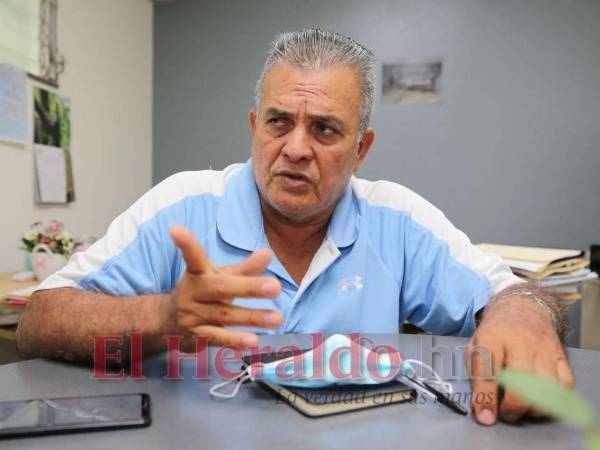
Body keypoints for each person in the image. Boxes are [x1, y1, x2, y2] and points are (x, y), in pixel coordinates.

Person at [17, 29, 573, 426]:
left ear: (361, 149)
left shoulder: (397, 218)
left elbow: (514, 293)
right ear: (254, 126)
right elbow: (39, 319)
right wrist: (161, 318)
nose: (296, 148)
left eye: (325, 129)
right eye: (279, 122)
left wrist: (522, 311)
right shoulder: (181, 205)